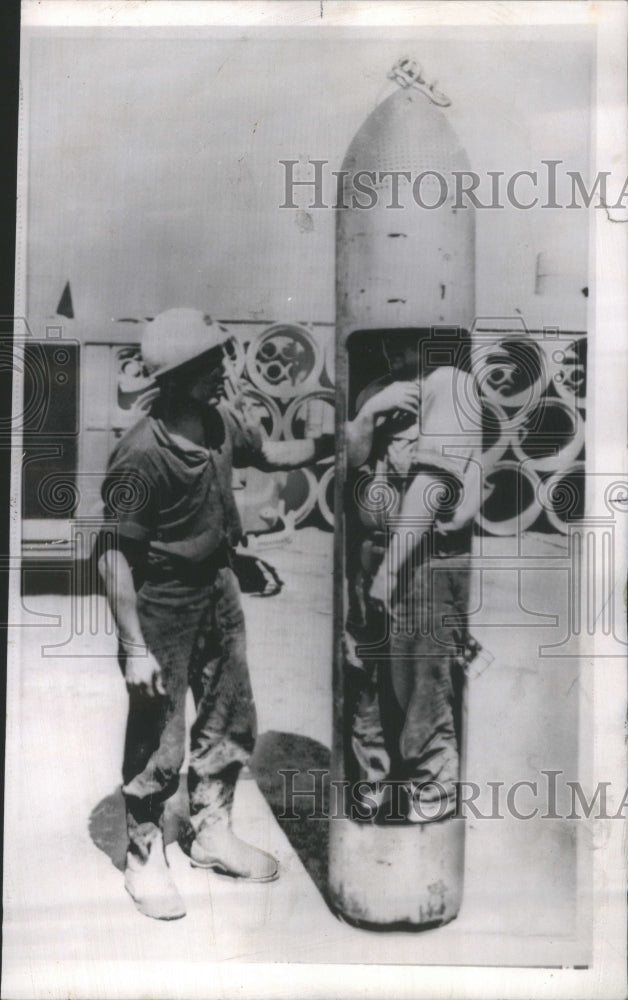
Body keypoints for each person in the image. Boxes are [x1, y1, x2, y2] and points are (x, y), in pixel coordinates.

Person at [98, 308, 333, 920]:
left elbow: (274, 454)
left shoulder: (218, 422)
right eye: (212, 364)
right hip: (163, 600)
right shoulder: (140, 454)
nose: (226, 371)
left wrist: (342, 441)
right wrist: (133, 647)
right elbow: (112, 556)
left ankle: (210, 831)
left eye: (223, 358)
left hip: (219, 588)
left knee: (230, 712)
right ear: (173, 378)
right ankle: (145, 855)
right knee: (159, 731)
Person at [344, 331, 482, 822]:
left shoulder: (452, 386)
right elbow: (351, 461)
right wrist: (366, 415)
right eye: (390, 344)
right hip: (377, 559)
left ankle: (433, 792)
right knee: (368, 679)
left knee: (423, 686)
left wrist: (388, 575)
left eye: (408, 344)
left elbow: (429, 490)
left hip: (423, 563)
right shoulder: (383, 391)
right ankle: (374, 786)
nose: (396, 355)